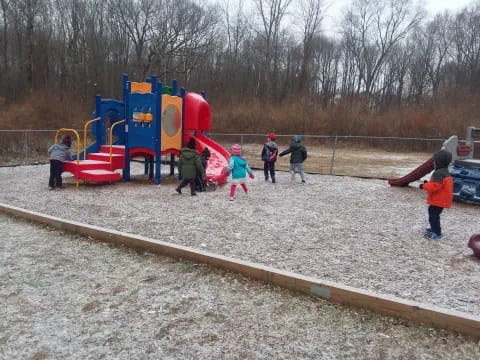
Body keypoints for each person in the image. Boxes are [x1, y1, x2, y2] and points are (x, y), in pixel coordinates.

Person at [420, 149, 453, 240]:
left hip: (438, 201)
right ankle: (435, 229)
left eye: (435, 162)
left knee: (433, 216)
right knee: (434, 215)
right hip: (441, 200)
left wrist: (424, 185)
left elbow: (435, 186)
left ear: (439, 162)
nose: (433, 164)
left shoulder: (439, 173)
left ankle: (436, 233)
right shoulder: (445, 171)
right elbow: (439, 184)